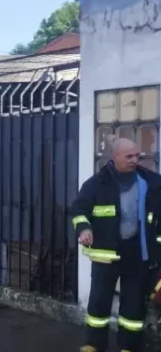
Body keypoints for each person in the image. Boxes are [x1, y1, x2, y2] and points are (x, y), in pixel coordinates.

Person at [71, 138, 161, 352]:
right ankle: (94, 344)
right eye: (129, 156)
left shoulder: (151, 182)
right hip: (106, 254)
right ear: (114, 157)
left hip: (138, 254)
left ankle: (129, 346)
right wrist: (84, 228)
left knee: (133, 305)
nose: (134, 160)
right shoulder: (97, 183)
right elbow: (78, 210)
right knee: (99, 303)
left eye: (136, 155)